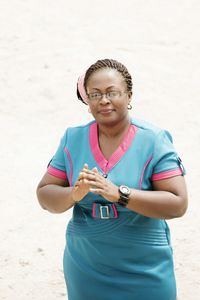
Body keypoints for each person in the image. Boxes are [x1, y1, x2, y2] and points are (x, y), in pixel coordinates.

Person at [36, 59, 188, 300]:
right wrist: (73, 194)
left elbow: (178, 203)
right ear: (87, 101)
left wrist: (119, 194)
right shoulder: (72, 139)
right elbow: (45, 195)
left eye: (112, 92)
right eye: (94, 94)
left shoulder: (154, 140)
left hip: (145, 271)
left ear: (129, 95)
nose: (103, 100)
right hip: (85, 268)